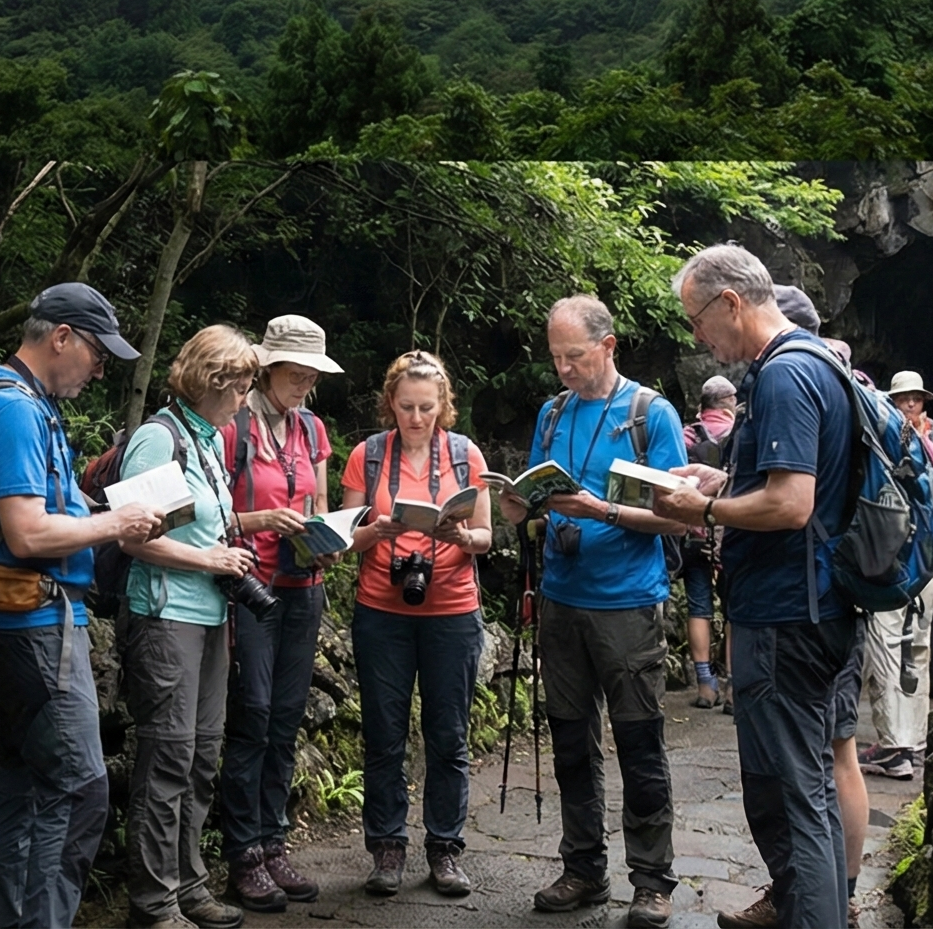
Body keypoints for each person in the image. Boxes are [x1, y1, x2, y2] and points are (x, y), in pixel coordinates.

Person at [655, 248, 860, 929]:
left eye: (697, 320)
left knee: (794, 799)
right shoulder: (816, 361)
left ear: (730, 302)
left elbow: (791, 504)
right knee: (805, 795)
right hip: (813, 605)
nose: (697, 337)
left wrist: (705, 509)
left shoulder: (783, 375)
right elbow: (798, 484)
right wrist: (722, 480)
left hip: (786, 616)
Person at [0, 283, 164, 929]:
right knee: (77, 792)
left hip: (26, 625)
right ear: (62, 337)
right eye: (98, 355)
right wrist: (116, 524)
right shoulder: (14, 412)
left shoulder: (24, 404)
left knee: (26, 787)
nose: (99, 371)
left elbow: (50, 512)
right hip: (33, 628)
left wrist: (109, 514)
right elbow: (27, 533)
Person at [494, 295, 686, 929]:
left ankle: (652, 881)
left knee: (639, 743)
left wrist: (600, 509)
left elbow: (675, 517)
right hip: (561, 599)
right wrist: (519, 507)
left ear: (608, 346)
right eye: (555, 357)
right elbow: (536, 496)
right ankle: (583, 868)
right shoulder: (552, 415)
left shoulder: (648, 414)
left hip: (628, 603)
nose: (563, 368)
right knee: (571, 743)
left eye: (573, 355)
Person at [116, 325, 263, 929]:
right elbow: (132, 537)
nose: (247, 400)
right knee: (169, 759)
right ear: (214, 380)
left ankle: (190, 886)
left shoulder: (208, 439)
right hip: (165, 617)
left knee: (202, 757)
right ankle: (154, 904)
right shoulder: (160, 438)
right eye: (242, 386)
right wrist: (210, 561)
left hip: (208, 618)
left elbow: (207, 523)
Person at [342, 349, 493, 899]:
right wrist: (376, 531)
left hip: (451, 608)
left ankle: (445, 848)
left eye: (427, 407)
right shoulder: (368, 456)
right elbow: (344, 537)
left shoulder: (465, 455)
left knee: (448, 734)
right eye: (406, 406)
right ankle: (386, 846)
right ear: (391, 403)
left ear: (443, 405)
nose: (416, 417)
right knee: (384, 733)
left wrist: (460, 537)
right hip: (382, 609)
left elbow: (486, 537)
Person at [220, 315, 340, 912]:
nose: (305, 384)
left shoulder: (311, 429)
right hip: (251, 587)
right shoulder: (233, 427)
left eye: (312, 376)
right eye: (296, 373)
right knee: (254, 713)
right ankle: (243, 853)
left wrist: (330, 537)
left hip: (303, 584)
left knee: (287, 715)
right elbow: (208, 513)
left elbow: (319, 504)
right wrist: (262, 520)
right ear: (268, 368)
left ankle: (273, 842)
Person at [855, 372, 933, 782]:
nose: (908, 405)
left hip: (900, 555)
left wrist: (906, 515)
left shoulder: (886, 432)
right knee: (916, 643)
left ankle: (895, 747)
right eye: (903, 399)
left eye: (914, 399)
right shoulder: (914, 436)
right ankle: (914, 739)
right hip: (929, 550)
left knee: (887, 640)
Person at [682, 374, 739, 710]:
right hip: (730, 533)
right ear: (729, 402)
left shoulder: (688, 435)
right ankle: (733, 689)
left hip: (693, 535)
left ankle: (705, 685)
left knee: (699, 607)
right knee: (734, 613)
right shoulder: (739, 434)